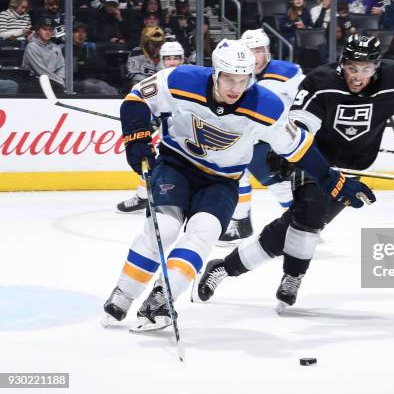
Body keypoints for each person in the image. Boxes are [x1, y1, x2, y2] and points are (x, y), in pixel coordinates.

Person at [196, 34, 394, 311]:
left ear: (376, 66)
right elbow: (301, 123)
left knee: (288, 231)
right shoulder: (321, 83)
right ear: (342, 64)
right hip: (315, 160)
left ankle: (224, 268)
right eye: (351, 68)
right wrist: (290, 154)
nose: (357, 76)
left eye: (365, 69)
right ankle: (294, 276)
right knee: (309, 213)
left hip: (352, 172)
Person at [102, 39, 372, 330]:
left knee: (202, 233)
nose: (235, 87)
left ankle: (162, 300)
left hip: (222, 181)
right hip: (176, 166)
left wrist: (333, 180)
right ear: (215, 73)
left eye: (243, 80)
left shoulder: (266, 105)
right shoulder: (181, 79)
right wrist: (136, 138)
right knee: (164, 229)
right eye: (229, 79)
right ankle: (124, 293)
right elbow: (137, 99)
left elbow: (299, 149)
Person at [219, 29, 305, 242]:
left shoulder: (288, 72)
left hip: (276, 141)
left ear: (267, 51)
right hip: (250, 139)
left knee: (279, 186)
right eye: (249, 51)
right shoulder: (239, 74)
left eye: (258, 51)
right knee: (237, 175)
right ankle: (241, 223)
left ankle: (303, 223)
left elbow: (306, 101)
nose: (254, 56)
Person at [117, 40, 186, 213]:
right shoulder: (155, 83)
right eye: (168, 58)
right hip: (169, 139)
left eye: (177, 58)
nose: (173, 62)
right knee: (150, 161)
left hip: (190, 138)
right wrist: (145, 123)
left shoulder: (190, 80)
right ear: (161, 60)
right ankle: (143, 197)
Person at [72, 21, 118, 95]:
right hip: (75, 81)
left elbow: (101, 65)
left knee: (112, 90)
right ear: (71, 34)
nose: (81, 34)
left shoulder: (90, 47)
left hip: (92, 79)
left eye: (83, 32)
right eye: (77, 32)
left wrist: (85, 63)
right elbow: (74, 69)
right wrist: (87, 63)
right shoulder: (67, 49)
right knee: (99, 89)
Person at [22, 16, 65, 89]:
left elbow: (62, 66)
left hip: (55, 81)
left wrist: (60, 78)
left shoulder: (56, 47)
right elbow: (40, 70)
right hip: (36, 82)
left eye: (50, 30)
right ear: (38, 30)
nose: (48, 32)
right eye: (45, 29)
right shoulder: (32, 46)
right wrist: (60, 81)